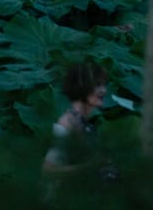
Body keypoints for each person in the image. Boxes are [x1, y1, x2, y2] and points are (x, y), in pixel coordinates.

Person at [41, 62, 117, 191]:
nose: (104, 90)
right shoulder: (66, 125)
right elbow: (48, 172)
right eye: (98, 85)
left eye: (104, 85)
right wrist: (89, 167)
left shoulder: (84, 122)